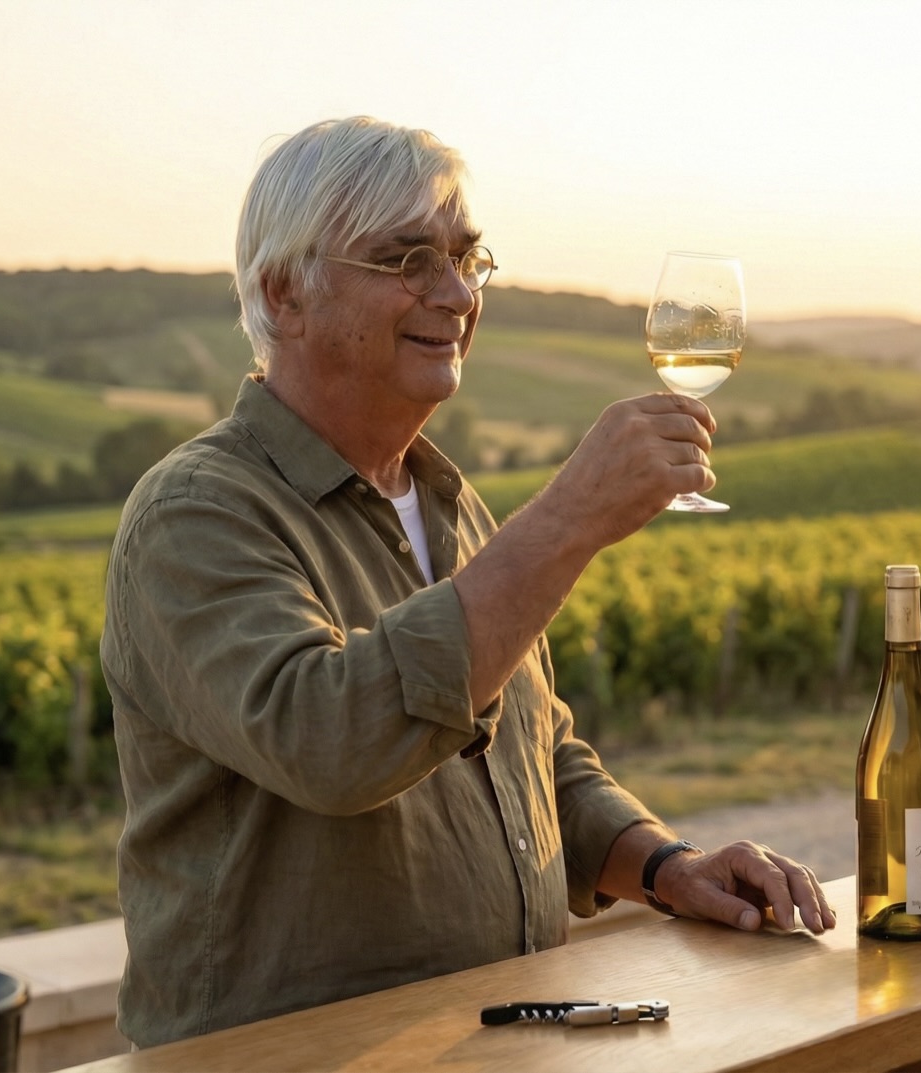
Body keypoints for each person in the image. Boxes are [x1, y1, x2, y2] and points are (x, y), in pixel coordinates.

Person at [101, 115, 835, 1050]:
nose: (453, 293)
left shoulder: (451, 505)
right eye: (407, 260)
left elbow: (532, 757)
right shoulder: (196, 514)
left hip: (482, 1044)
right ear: (286, 292)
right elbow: (330, 740)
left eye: (463, 257)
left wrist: (664, 866)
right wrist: (567, 520)